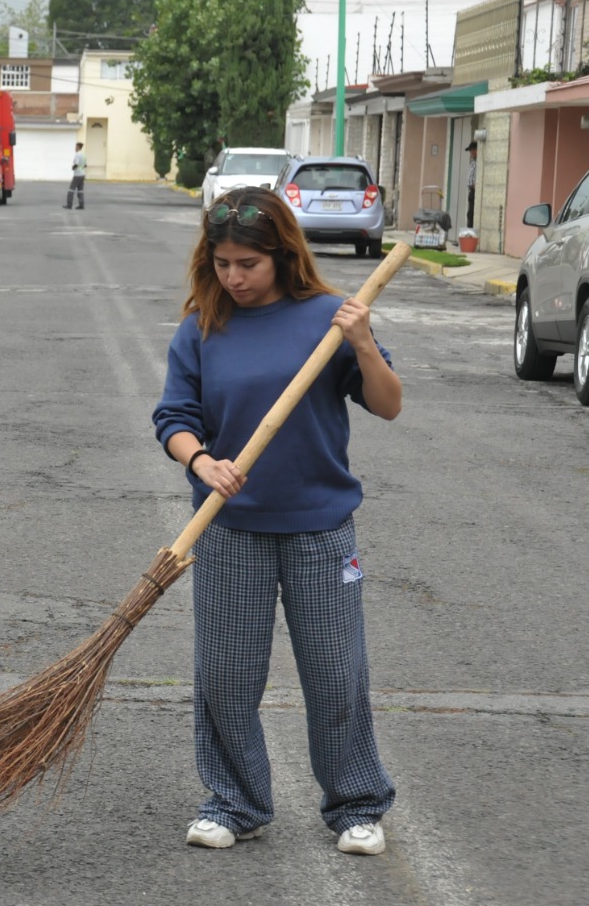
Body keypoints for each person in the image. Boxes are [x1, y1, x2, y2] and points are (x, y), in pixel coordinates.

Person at [151, 187, 403, 857]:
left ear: (282, 256)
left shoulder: (328, 318)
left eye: (248, 265)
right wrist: (202, 462)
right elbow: (173, 418)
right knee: (226, 675)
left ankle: (356, 805)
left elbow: (388, 404)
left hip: (321, 528)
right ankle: (234, 802)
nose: (234, 277)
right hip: (231, 528)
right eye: (223, 262)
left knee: (334, 670)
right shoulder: (203, 327)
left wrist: (363, 342)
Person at [65, 142, 86, 210]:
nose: (75, 148)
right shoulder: (83, 155)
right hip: (82, 174)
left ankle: (69, 204)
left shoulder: (77, 155)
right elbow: (85, 165)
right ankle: (81, 205)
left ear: (78, 147)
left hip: (77, 175)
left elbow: (76, 164)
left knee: (71, 190)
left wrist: (73, 168)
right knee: (80, 190)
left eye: (75, 147)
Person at [465, 140, 478, 228]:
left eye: (472, 150)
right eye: (470, 151)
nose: (471, 153)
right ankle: (469, 232)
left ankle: (471, 234)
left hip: (475, 190)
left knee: (472, 213)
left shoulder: (479, 162)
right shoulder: (473, 162)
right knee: (469, 214)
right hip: (471, 190)